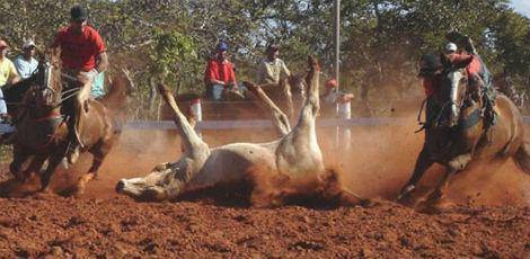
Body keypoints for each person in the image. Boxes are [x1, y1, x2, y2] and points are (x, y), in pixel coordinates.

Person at [51, 5, 108, 164]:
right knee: (47, 97)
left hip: (85, 77)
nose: (81, 25)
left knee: (77, 100)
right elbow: (53, 53)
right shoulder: (63, 34)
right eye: (78, 22)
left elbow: (104, 61)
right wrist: (54, 65)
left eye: (83, 21)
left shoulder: (92, 35)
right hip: (64, 75)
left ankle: (75, 143)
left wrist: (92, 74)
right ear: (71, 22)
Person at [444, 32, 495, 128]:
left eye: (451, 51)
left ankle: (489, 114)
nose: (450, 54)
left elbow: (477, 78)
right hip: (472, 75)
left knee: (485, 93)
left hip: (481, 78)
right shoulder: (457, 58)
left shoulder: (471, 60)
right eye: (449, 52)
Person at [0, 40, 20, 123]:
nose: (2, 50)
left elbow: (17, 76)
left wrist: (12, 82)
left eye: (3, 48)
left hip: (5, 87)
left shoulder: (9, 63)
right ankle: (3, 115)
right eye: (0, 48)